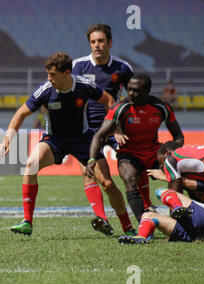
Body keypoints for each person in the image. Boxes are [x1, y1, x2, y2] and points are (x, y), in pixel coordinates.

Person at [0, 51, 122, 237]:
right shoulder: (45, 90)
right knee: (30, 165)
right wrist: (6, 141)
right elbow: (21, 113)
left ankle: (115, 223)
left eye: (53, 75)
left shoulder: (84, 85)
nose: (49, 78)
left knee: (107, 183)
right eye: (48, 74)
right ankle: (27, 222)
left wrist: (113, 128)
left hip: (83, 138)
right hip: (55, 140)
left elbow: (109, 100)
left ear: (66, 73)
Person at [86, 74, 185, 224]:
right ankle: (144, 224)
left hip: (154, 153)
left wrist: (171, 148)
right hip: (129, 153)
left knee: (179, 173)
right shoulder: (120, 108)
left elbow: (178, 136)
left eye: (136, 90)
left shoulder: (161, 107)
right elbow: (99, 136)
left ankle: (180, 222)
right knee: (129, 178)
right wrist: (92, 160)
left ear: (147, 91)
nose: (131, 93)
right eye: (129, 89)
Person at [72, 23, 141, 234]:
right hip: (88, 132)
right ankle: (105, 220)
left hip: (115, 128)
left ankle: (140, 217)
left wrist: (121, 126)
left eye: (101, 41)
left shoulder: (123, 68)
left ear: (110, 43)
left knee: (134, 174)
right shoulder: (78, 67)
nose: (97, 46)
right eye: (93, 42)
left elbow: (134, 99)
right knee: (104, 181)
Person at [118, 188, 204, 244]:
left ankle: (177, 207)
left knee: (160, 191)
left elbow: (185, 182)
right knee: (148, 215)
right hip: (194, 234)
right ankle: (141, 236)